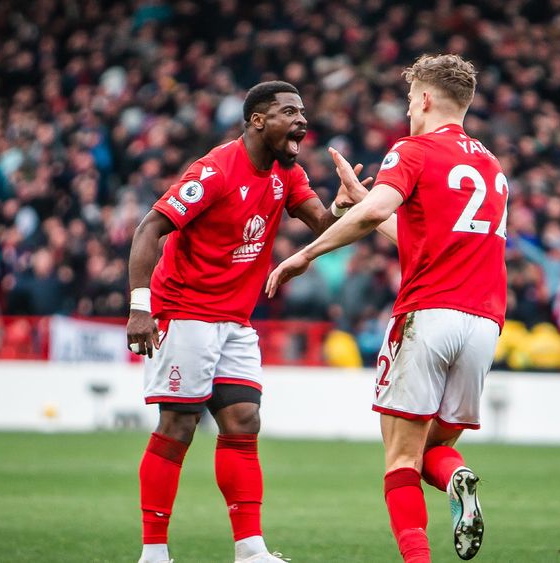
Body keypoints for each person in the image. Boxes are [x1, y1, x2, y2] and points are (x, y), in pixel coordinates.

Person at [267, 54, 507, 562]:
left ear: (423, 99)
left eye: (408, 100)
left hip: (427, 314)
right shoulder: (490, 164)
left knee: (399, 458)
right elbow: (419, 238)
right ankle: (457, 476)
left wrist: (304, 254)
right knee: (432, 452)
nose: (407, 111)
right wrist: (363, 202)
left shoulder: (413, 150)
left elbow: (382, 208)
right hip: (484, 323)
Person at [125, 80, 368, 563]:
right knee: (178, 425)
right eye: (289, 111)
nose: (301, 119)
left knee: (244, 420)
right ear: (258, 120)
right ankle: (153, 554)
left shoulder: (287, 172)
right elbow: (149, 227)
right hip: (186, 311)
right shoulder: (216, 169)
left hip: (235, 319)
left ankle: (250, 550)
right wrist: (139, 306)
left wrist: (343, 204)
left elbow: (321, 226)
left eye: (302, 111)